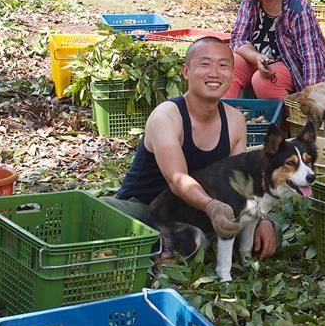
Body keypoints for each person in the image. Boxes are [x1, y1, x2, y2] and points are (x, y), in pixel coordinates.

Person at [104, 36, 281, 260]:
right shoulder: (167, 116)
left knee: (270, 232)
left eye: (223, 65)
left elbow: (240, 183)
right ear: (186, 71)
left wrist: (261, 219)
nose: (214, 73)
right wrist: (212, 206)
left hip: (195, 213)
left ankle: (185, 245)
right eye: (205, 64)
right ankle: (175, 245)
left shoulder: (235, 121)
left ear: (233, 73)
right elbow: (177, 180)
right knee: (106, 211)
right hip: (147, 208)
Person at [226, 0, 325, 100]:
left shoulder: (297, 8)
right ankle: (225, 116)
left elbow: (310, 57)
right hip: (262, 60)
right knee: (229, 63)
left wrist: (312, 100)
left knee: (263, 80)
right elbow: (238, 39)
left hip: (294, 67)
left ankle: (284, 121)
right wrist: (257, 57)